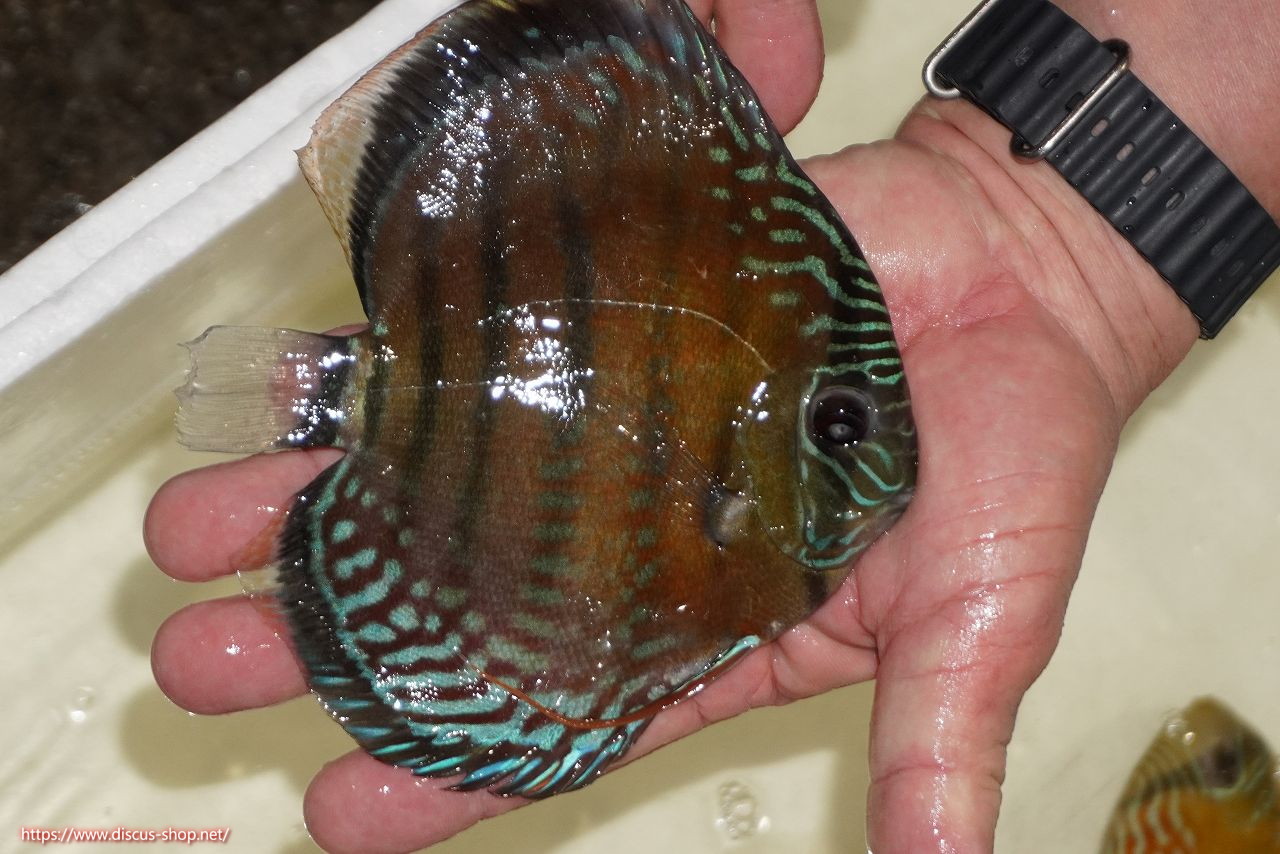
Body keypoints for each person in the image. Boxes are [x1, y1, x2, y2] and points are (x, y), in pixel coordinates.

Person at [143, 0, 1280, 851]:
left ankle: (338, 397)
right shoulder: (772, 509)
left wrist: (1072, 234)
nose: (890, 458)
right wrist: (1066, 222)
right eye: (841, 422)